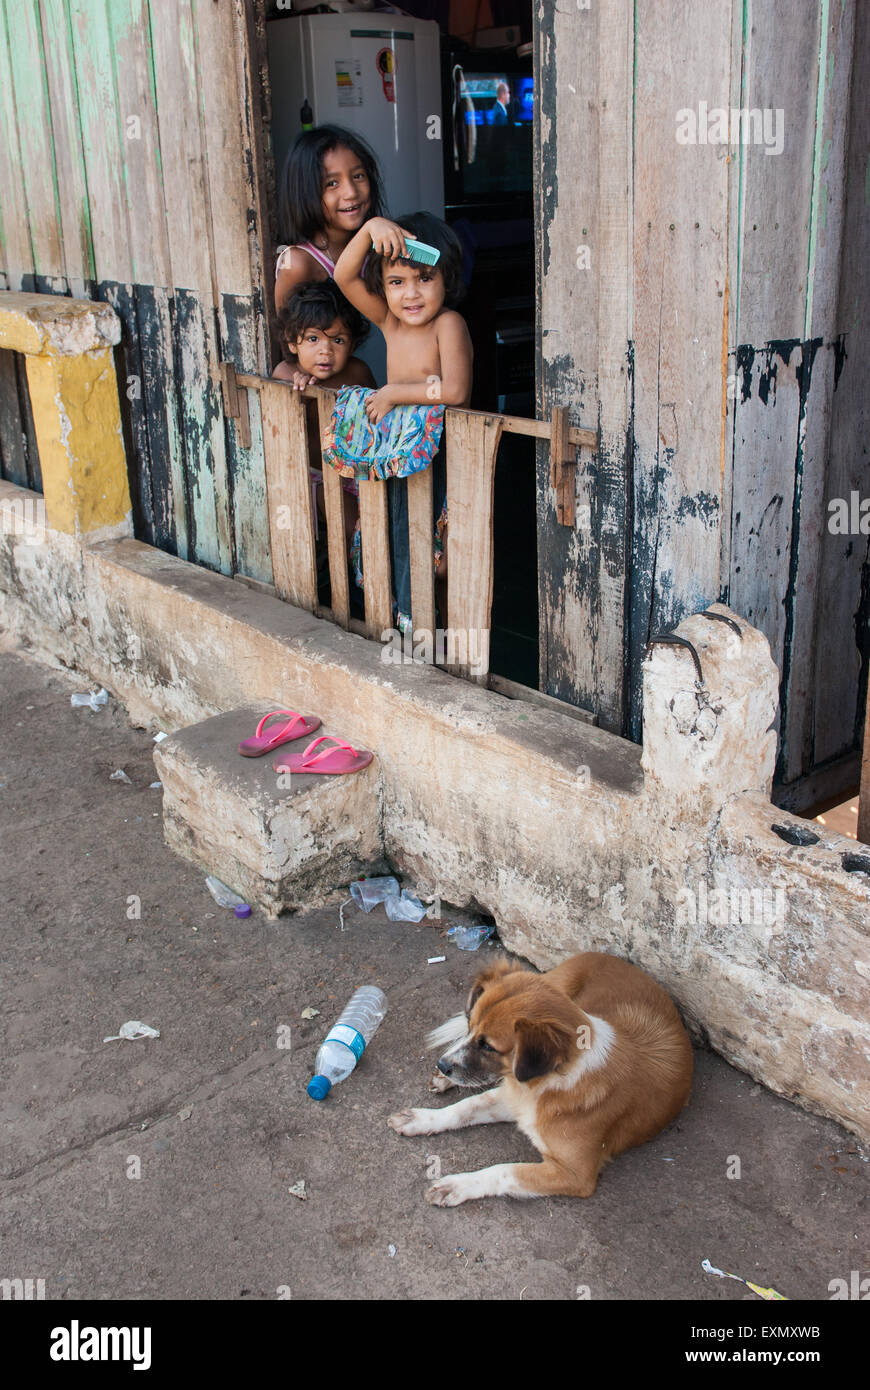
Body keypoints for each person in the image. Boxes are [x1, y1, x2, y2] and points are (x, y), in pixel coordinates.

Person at [334, 211, 473, 626]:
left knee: (444, 560)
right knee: (404, 541)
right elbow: (344, 276)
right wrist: (369, 228)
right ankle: (411, 629)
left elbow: (454, 391)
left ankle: (447, 638)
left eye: (424, 279)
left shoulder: (448, 324)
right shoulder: (390, 322)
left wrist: (394, 393)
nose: (410, 294)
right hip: (403, 458)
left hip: (444, 455)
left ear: (446, 278)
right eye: (397, 282)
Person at [273, 280, 375, 585]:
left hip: (357, 474)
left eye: (338, 340)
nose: (325, 351)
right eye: (313, 339)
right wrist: (298, 385)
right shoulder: (287, 373)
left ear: (353, 344)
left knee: (371, 530)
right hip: (320, 475)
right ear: (293, 343)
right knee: (350, 529)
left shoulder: (358, 371)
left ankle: (365, 584)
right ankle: (354, 588)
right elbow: (283, 392)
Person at [274, 125, 386, 317]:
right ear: (305, 193)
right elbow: (287, 339)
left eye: (358, 176)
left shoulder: (379, 243)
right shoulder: (297, 264)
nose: (351, 192)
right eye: (332, 183)